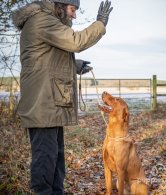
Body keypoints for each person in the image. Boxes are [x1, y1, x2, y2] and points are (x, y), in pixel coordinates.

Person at [12, 0, 113, 194]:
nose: (74, 15)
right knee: (45, 159)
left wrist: (76, 65)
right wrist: (100, 23)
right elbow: (76, 41)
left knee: (55, 158)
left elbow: (46, 57)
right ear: (60, 5)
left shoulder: (48, 21)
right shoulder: (42, 20)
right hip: (43, 102)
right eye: (73, 9)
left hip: (50, 101)